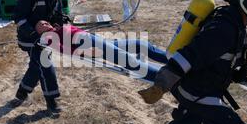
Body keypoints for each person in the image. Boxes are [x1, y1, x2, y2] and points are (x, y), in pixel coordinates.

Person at [12, 0, 70, 114]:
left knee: (36, 66)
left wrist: (59, 24)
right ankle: (52, 101)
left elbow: (58, 14)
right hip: (29, 39)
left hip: (47, 37)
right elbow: (19, 19)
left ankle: (22, 91)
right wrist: (34, 31)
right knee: (45, 64)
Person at [38, 22, 168, 83]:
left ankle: (173, 60)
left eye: (45, 21)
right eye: (41, 25)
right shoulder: (48, 37)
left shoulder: (57, 28)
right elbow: (64, 49)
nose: (45, 23)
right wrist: (84, 52)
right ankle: (167, 79)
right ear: (40, 31)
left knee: (140, 44)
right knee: (129, 61)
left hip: (97, 39)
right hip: (89, 44)